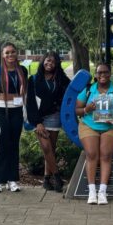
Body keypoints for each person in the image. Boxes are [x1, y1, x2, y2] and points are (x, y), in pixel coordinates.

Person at [75, 63, 113, 205]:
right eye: (99, 73)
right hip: (89, 125)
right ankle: (91, 191)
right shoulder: (88, 90)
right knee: (91, 154)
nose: (102, 75)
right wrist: (86, 109)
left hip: (110, 127)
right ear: (95, 75)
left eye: (106, 72)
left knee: (106, 155)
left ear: (110, 73)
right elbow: (76, 109)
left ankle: (102, 192)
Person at [0, 42, 29, 192]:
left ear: (17, 53)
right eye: (7, 53)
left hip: (17, 111)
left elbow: (25, 91)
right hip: (0, 111)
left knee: (14, 145)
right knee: (3, 145)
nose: (10, 55)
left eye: (13, 52)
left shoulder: (22, 70)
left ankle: (12, 179)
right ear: (3, 55)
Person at [26, 51, 70, 192]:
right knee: (46, 147)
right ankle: (56, 177)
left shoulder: (61, 78)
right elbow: (30, 102)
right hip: (38, 118)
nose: (49, 64)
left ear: (56, 64)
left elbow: (73, 88)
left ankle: (46, 179)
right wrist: (37, 122)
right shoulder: (33, 79)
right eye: (47, 61)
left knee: (50, 147)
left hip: (54, 116)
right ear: (42, 61)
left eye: (52, 62)